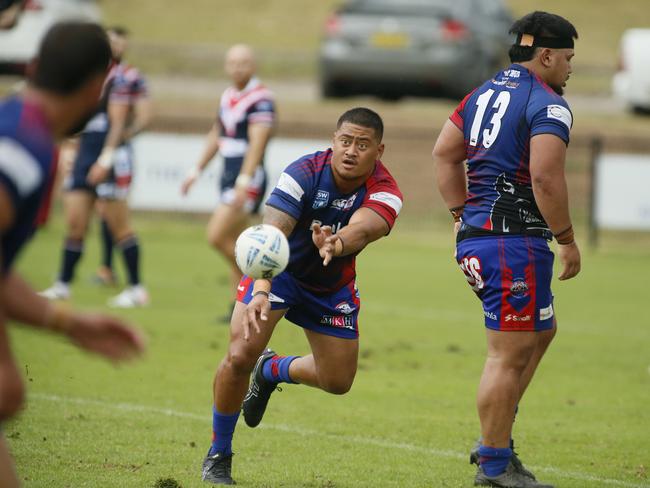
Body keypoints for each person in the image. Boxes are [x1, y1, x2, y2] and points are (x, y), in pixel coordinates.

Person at [200, 107, 403, 484]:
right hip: (279, 272)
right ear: (333, 141)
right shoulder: (304, 172)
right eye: (345, 141)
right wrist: (261, 289)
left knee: (338, 380)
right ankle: (218, 454)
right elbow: (271, 234)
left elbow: (365, 228)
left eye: (363, 144)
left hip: (331, 285)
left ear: (379, 150)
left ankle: (272, 369)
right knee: (240, 352)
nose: (351, 150)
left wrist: (337, 242)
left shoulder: (387, 191)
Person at [432, 11, 581, 488]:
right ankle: (494, 465)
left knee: (541, 332)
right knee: (507, 354)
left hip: (480, 241)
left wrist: (460, 214)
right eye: (568, 58)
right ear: (546, 55)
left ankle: (499, 440)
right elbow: (544, 176)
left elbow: (443, 152)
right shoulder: (548, 104)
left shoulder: (481, 94)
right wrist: (568, 239)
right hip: (513, 244)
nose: (570, 67)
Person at [0, 21, 146, 487]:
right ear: (95, 89)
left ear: (33, 67)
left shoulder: (25, 133)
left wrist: (68, 322)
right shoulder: (20, 149)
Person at [40, 26, 151, 307]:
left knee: (118, 224)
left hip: (110, 157)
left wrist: (107, 158)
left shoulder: (125, 77)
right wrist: (68, 146)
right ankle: (63, 284)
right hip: (84, 152)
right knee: (75, 222)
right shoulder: (85, 76)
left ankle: (137, 289)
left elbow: (118, 122)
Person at [181, 44, 275, 322]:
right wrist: (195, 170)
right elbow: (217, 134)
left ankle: (261, 274)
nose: (238, 68)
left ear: (254, 66)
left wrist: (244, 181)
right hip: (228, 173)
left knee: (216, 236)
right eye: (233, 63)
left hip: (246, 177)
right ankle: (240, 305)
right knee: (236, 242)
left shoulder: (261, 98)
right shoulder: (229, 96)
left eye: (243, 63)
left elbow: (258, 142)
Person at [93, 26, 153, 287]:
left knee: (117, 215)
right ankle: (106, 268)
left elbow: (145, 115)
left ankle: (134, 284)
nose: (115, 46)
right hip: (95, 149)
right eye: (110, 41)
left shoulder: (130, 76)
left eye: (119, 42)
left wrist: (127, 134)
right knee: (103, 211)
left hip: (117, 155)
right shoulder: (94, 75)